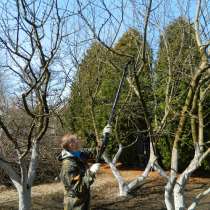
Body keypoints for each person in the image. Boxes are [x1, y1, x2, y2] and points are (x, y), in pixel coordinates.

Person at [58, 133, 101, 210]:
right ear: (71, 145)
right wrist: (91, 172)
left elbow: (97, 152)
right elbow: (77, 188)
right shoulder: (68, 165)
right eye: (75, 140)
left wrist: (105, 136)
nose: (78, 141)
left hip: (82, 202)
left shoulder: (78, 154)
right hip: (75, 205)